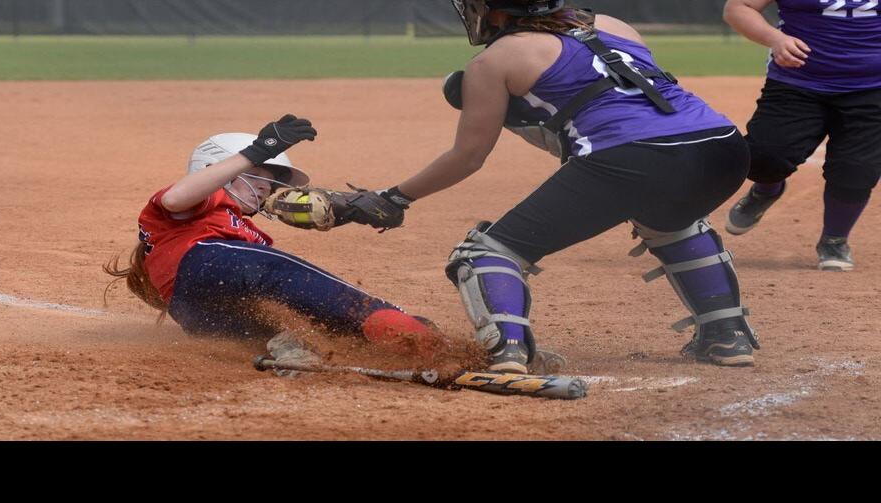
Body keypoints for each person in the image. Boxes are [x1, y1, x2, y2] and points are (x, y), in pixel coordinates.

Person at [312, 1, 760, 372]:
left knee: (487, 253)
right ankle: (727, 335)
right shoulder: (612, 24)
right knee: (671, 220)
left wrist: (394, 198)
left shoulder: (494, 60)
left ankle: (507, 352)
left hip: (634, 157)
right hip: (723, 147)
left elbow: (468, 157)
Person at [103, 115, 438, 355]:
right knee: (323, 291)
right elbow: (177, 198)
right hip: (210, 262)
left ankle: (303, 350)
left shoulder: (249, 234)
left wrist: (347, 211)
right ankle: (418, 334)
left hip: (194, 310)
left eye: (269, 182)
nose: (265, 187)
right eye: (256, 175)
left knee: (306, 332)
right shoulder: (204, 201)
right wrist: (256, 151)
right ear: (215, 168)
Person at [722, 0, 881, 271]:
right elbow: (738, 8)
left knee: (857, 168)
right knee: (764, 156)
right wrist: (775, 39)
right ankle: (766, 190)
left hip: (873, 87)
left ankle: (834, 239)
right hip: (797, 82)